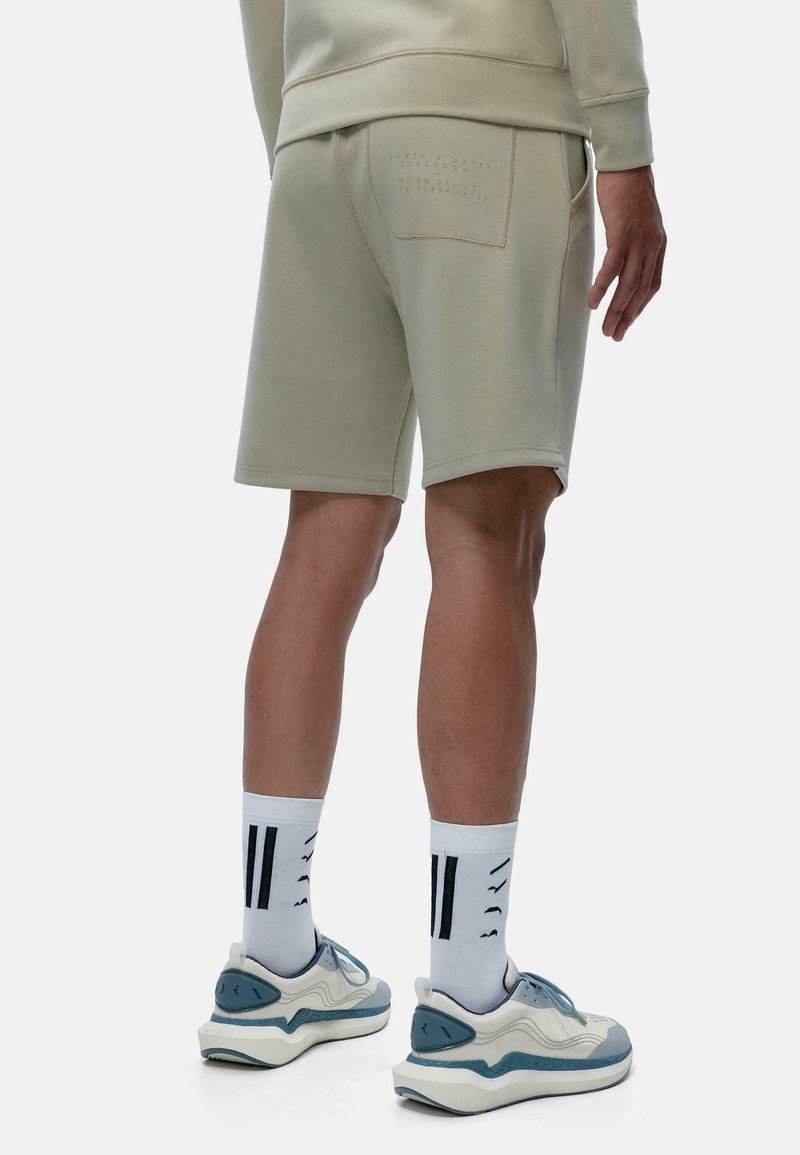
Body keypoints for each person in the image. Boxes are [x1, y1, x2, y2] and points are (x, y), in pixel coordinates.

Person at [198, 0, 666, 1115]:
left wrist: (305, 125)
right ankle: (471, 1000)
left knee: (325, 533)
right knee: (487, 535)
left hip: (319, 134)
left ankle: (272, 966)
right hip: (483, 116)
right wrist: (626, 145)